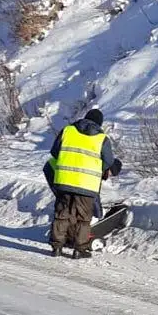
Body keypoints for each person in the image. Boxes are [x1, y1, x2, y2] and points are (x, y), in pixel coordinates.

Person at [48, 108, 121, 259]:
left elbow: (55, 152)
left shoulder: (68, 131)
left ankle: (57, 247)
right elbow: (108, 161)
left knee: (62, 214)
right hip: (87, 184)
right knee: (83, 219)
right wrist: (95, 167)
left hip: (64, 180)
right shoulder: (102, 138)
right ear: (99, 123)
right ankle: (79, 249)